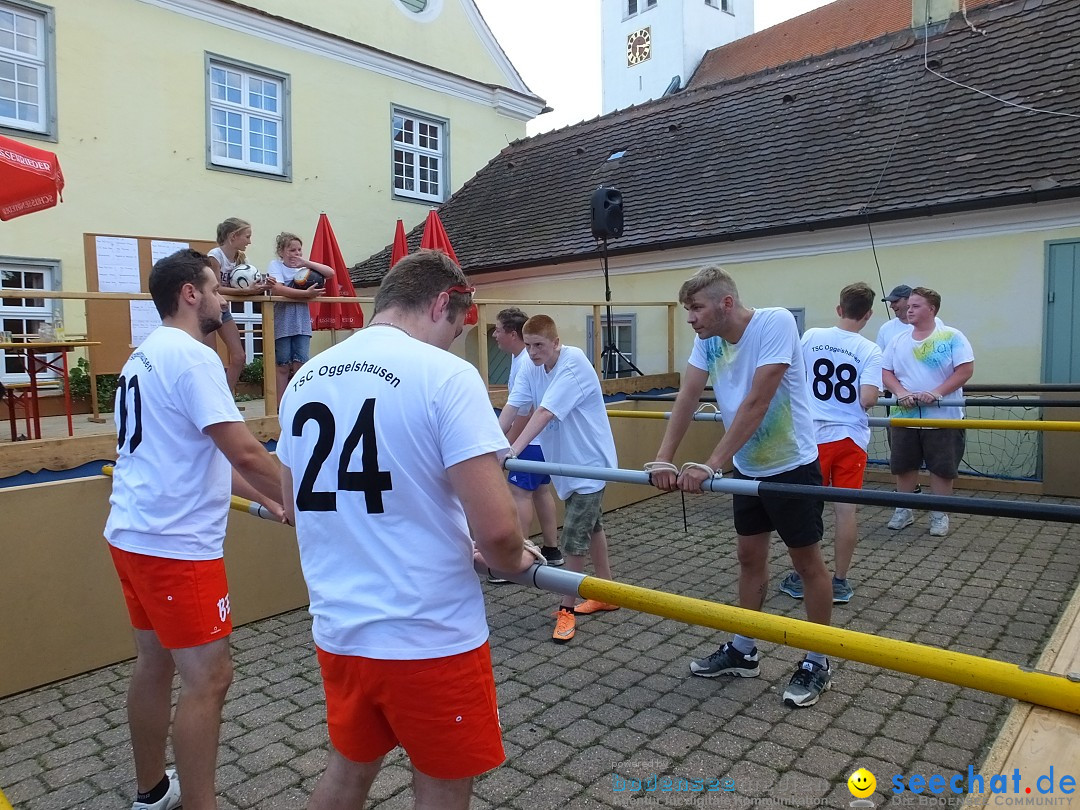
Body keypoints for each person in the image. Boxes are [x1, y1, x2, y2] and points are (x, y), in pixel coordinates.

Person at [276, 249, 539, 810]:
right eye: (458, 325)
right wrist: (518, 563)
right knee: (442, 783)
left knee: (347, 772)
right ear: (444, 300)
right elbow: (498, 532)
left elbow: (294, 506)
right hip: (428, 633)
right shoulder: (445, 376)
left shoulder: (303, 380)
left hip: (340, 627)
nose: (455, 340)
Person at [104, 249, 286, 810]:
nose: (224, 300)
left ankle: (152, 791)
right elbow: (249, 453)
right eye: (217, 289)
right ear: (190, 293)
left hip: (132, 534)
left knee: (155, 662)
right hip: (176, 546)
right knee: (209, 679)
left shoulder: (144, 358)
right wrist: (313, 501)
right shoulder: (192, 357)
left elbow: (212, 458)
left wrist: (278, 504)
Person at [650, 265, 833, 709]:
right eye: (687, 310)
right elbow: (688, 397)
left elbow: (758, 400)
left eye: (695, 308)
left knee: (805, 562)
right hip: (749, 467)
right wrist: (663, 457)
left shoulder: (775, 323)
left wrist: (712, 464)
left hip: (791, 465)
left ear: (725, 303)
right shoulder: (707, 340)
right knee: (748, 556)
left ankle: (818, 658)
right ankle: (744, 649)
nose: (690, 318)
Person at [498, 314, 620, 644]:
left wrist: (512, 451)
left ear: (555, 342)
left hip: (589, 463)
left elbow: (544, 411)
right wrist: (494, 445)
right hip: (565, 463)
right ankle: (607, 592)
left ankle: (567, 607)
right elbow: (514, 406)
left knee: (574, 538)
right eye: (528, 345)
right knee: (592, 527)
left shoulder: (574, 362)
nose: (533, 352)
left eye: (539, 345)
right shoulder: (529, 365)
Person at [778, 282, 883, 605]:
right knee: (845, 510)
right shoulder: (870, 350)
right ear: (867, 315)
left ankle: (805, 574)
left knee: (808, 508)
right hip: (850, 437)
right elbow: (867, 398)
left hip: (811, 437)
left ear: (839, 309)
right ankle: (839, 580)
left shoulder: (811, 337)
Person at [881, 287, 974, 537]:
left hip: (944, 417)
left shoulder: (952, 336)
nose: (909, 310)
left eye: (916, 306)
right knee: (903, 466)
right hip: (904, 416)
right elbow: (885, 372)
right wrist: (900, 393)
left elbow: (964, 370)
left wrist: (937, 393)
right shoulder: (897, 340)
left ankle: (939, 513)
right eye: (909, 305)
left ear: (931, 309)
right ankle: (904, 508)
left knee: (942, 468)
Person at [491, 307, 563, 574]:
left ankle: (517, 557)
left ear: (512, 333)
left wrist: (508, 444)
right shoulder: (522, 359)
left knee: (520, 494)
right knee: (541, 491)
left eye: (498, 329)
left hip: (530, 441)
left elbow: (528, 409)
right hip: (537, 441)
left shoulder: (526, 361)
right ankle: (552, 548)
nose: (495, 335)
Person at [264, 232, 330, 403]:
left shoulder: (304, 269)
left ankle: (297, 400)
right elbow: (278, 289)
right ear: (281, 252)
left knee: (301, 362)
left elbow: (330, 273)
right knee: (283, 365)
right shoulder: (275, 265)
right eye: (292, 250)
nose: (297, 253)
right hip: (283, 318)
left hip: (301, 320)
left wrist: (305, 262)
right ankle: (280, 403)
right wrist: (305, 294)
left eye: (299, 250)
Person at [206, 218, 269, 393]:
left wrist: (261, 287)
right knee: (210, 357)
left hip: (223, 310)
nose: (250, 241)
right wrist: (246, 291)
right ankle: (209, 397)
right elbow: (215, 287)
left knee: (239, 357)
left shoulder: (241, 258)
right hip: (207, 311)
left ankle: (224, 396)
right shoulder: (215, 256)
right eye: (247, 236)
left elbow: (243, 287)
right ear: (234, 236)